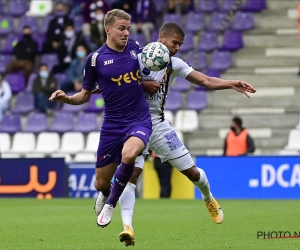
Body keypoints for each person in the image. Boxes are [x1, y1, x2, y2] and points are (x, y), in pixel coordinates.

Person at [92, 22, 256, 246]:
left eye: (180, 44)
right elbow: (113, 82)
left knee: (193, 173)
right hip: (132, 125)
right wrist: (140, 83)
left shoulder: (173, 64)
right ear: (161, 37)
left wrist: (231, 84)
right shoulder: (135, 57)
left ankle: (208, 197)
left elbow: (205, 80)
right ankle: (127, 228)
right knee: (131, 176)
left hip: (158, 127)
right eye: (174, 43)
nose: (177, 47)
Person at [49, 9, 152, 228]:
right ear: (108, 29)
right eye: (121, 28)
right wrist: (66, 99)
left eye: (128, 28)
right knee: (100, 183)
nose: (126, 32)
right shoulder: (95, 60)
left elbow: (146, 72)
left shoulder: (135, 49)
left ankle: (111, 204)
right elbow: (84, 96)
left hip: (139, 119)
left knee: (130, 153)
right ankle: (106, 193)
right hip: (113, 125)